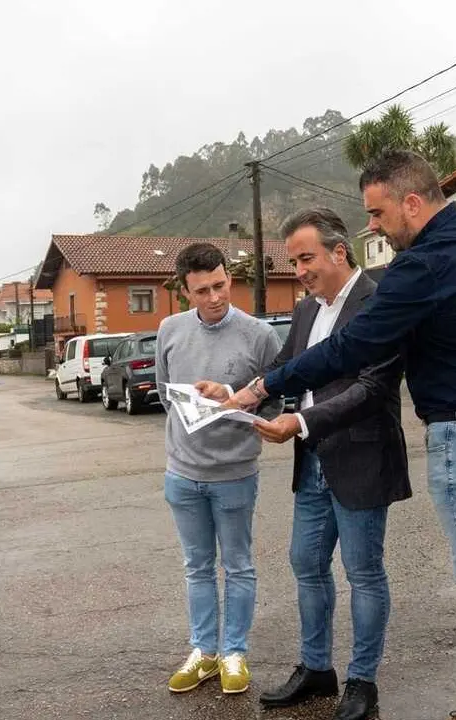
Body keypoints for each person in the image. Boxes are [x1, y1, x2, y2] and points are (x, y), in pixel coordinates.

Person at [222, 150, 456, 720]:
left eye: (377, 213)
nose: (373, 226)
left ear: (412, 203)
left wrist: (263, 388)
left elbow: (353, 349)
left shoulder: (418, 266)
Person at [197, 208, 410, 720]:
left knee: (363, 572)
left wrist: (301, 422)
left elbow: (372, 387)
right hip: (312, 460)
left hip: (360, 457)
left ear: (339, 251)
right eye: (293, 262)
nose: (299, 271)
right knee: (307, 566)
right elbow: (283, 370)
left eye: (306, 258)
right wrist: (233, 393)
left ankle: (362, 681)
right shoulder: (307, 310)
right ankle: (317, 669)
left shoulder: (379, 303)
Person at [155, 242, 281, 696]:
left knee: (239, 566)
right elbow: (165, 395)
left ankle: (234, 654)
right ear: (184, 291)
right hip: (182, 473)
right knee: (197, 567)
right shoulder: (169, 330)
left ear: (229, 278)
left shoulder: (259, 335)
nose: (214, 297)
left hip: (235, 473)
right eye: (202, 290)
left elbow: (277, 400)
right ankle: (204, 652)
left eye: (220, 285)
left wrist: (231, 396)